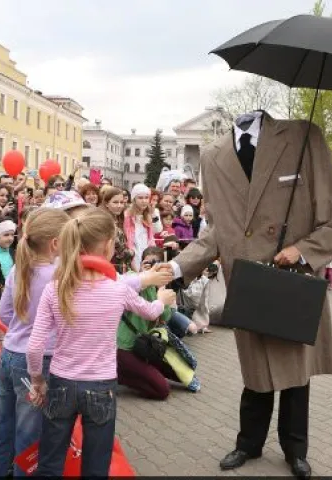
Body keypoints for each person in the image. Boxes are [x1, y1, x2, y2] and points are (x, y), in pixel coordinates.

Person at [169, 112, 332, 478]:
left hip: (293, 278)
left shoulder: (303, 136)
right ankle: (248, 444)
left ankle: (295, 449)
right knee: (255, 371)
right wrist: (175, 269)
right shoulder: (213, 155)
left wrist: (302, 250)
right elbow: (217, 232)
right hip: (249, 283)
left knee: (297, 372)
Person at [26, 209, 176, 477]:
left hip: (61, 381)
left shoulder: (56, 288)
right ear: (108, 245)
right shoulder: (118, 289)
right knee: (96, 466)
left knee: (49, 462)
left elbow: (35, 345)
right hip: (101, 385)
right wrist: (162, 299)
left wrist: (37, 381)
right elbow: (151, 313)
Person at [0, 208, 70, 478]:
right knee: (30, 438)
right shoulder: (60, 275)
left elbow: (5, 314)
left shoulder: (20, 267)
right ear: (56, 243)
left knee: (1, 429)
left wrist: (22, 327)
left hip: (10, 354)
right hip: (37, 362)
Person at [117, 248, 198, 401]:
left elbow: (165, 318)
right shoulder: (133, 280)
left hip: (144, 346)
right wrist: (146, 277)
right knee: (161, 390)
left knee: (179, 372)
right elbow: (129, 283)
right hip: (123, 348)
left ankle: (139, 370)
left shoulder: (160, 288)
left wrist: (161, 288)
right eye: (147, 262)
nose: (151, 266)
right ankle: (120, 376)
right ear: (140, 264)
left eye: (156, 263)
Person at [100, 187, 133, 273]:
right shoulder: (105, 222)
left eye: (121, 202)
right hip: (110, 267)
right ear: (107, 204)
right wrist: (132, 253)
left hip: (119, 267)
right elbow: (119, 250)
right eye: (115, 202)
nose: (119, 206)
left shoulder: (117, 220)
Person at [124, 184, 156, 269]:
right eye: (140, 198)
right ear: (134, 199)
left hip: (146, 250)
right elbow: (128, 239)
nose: (144, 201)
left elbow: (153, 234)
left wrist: (154, 213)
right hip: (134, 252)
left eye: (146, 198)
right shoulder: (127, 216)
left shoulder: (147, 215)